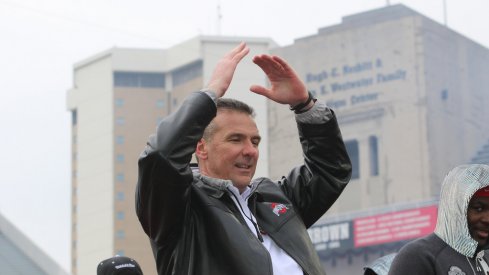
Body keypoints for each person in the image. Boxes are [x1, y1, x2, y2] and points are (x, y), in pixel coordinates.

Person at [135, 42, 352, 275]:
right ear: (201, 147)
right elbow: (160, 156)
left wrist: (304, 105)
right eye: (235, 139)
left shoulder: (273, 199)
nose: (250, 151)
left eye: (255, 141)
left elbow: (330, 170)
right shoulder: (181, 208)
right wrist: (211, 92)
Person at [388, 164, 489, 274]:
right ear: (454, 208)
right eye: (478, 208)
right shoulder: (418, 257)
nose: (487, 219)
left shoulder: (485, 259)